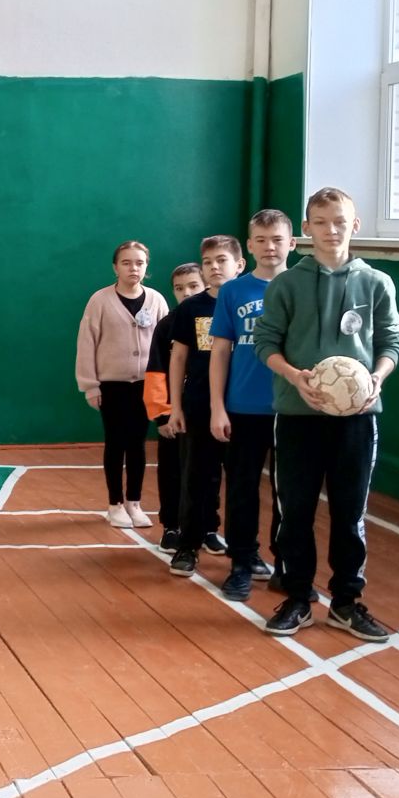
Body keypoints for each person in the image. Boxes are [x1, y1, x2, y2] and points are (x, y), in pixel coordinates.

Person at [255, 187, 399, 641]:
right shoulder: (286, 284)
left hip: (357, 419)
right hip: (297, 415)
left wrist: (377, 377)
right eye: (320, 222)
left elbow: (391, 342)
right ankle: (298, 598)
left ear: (354, 225)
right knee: (295, 510)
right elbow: (266, 342)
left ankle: (346, 602)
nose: (331, 230)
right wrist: (295, 377)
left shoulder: (376, 283)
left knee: (350, 512)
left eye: (340, 221)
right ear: (307, 229)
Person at [209, 209, 296, 601]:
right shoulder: (233, 291)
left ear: (291, 243)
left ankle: (287, 566)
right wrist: (217, 406)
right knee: (242, 489)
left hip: (293, 408)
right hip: (243, 407)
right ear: (249, 246)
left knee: (289, 493)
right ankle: (242, 563)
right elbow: (220, 352)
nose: (269, 247)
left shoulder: (303, 287)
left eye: (277, 239)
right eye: (260, 240)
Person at [164, 235, 244, 576]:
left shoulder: (252, 302)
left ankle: (243, 552)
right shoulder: (190, 308)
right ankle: (188, 545)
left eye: (221, 260)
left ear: (239, 265)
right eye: (208, 262)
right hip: (198, 404)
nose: (214, 267)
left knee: (241, 481)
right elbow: (178, 358)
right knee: (196, 477)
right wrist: (175, 407)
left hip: (243, 405)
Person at [76, 241, 170, 528]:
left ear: (146, 267)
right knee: (116, 442)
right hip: (112, 385)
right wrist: (90, 385)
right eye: (126, 263)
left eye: (139, 263)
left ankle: (134, 503)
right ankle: (114, 504)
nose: (133, 268)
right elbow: (87, 343)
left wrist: (166, 386)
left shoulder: (156, 300)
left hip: (146, 384)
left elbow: (166, 344)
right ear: (115, 267)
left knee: (138, 444)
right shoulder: (100, 300)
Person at [143, 262, 205, 552]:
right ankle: (171, 526)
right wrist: (162, 415)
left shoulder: (217, 320)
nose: (186, 293)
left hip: (205, 411)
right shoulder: (167, 326)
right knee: (172, 470)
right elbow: (156, 372)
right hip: (173, 416)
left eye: (193, 286)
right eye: (179, 288)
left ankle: (207, 528)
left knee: (206, 472)